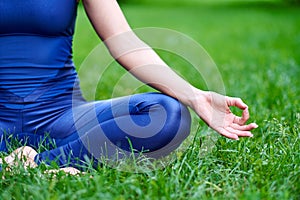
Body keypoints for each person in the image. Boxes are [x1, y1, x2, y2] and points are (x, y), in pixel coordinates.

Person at [0, 0, 258, 173]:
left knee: (167, 114)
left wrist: (195, 96)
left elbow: (124, 43)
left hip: (62, 116)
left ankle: (37, 162)